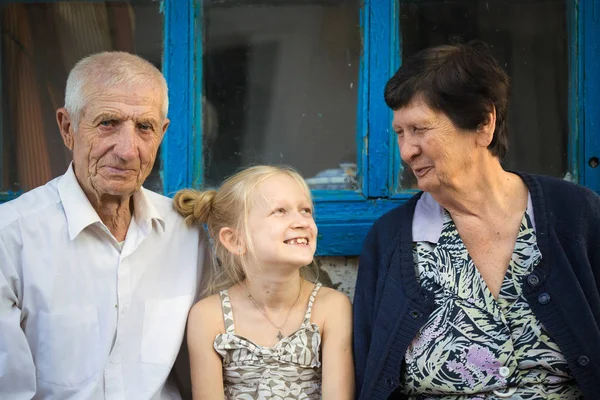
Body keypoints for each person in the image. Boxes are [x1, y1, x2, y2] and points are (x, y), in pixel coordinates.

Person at [353, 42, 600, 400]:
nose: (407, 151)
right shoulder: (391, 240)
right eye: (400, 133)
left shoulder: (576, 216)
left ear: (484, 123)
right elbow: (368, 374)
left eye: (420, 129)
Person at [0, 52, 207, 399]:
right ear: (68, 128)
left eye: (144, 127)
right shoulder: (10, 236)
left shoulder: (185, 233)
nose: (128, 151)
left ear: (162, 133)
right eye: (108, 123)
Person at [174, 165, 354, 399]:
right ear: (234, 240)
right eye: (280, 211)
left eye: (306, 210)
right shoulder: (209, 317)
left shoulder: (331, 307)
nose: (301, 221)